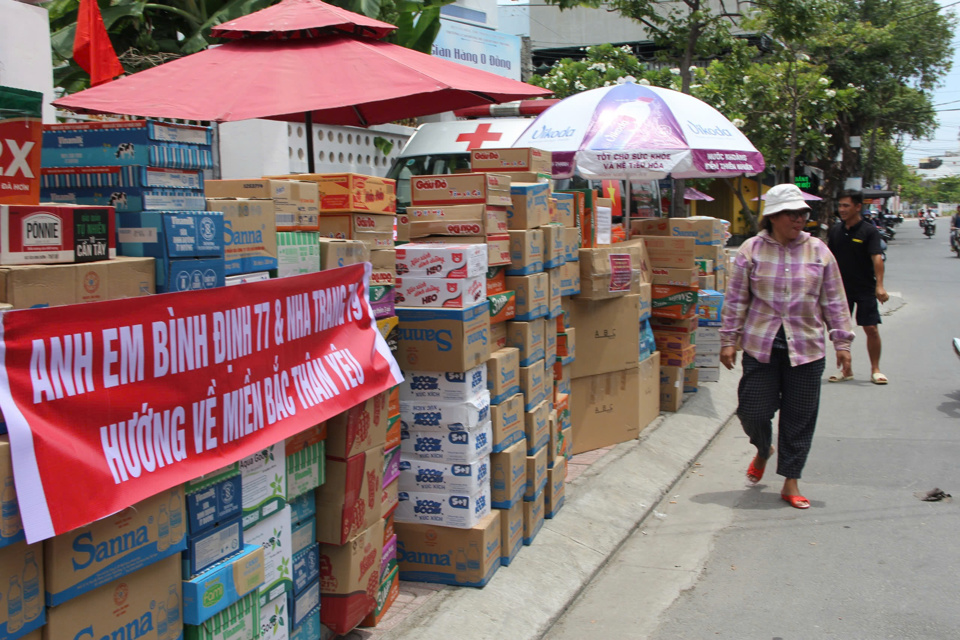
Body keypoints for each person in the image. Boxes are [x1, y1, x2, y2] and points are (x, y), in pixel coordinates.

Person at [720, 184, 854, 510]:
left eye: (803, 213)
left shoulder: (819, 251)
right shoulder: (750, 250)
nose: (800, 219)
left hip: (807, 349)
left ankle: (790, 480)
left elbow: (834, 300)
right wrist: (728, 340)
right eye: (793, 213)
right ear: (774, 216)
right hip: (761, 345)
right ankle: (763, 448)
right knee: (752, 411)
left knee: (799, 418)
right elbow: (736, 299)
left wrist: (842, 342)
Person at [827, 189, 889, 384]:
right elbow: (828, 259)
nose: (842, 209)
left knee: (870, 328)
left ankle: (876, 369)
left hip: (864, 288)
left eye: (846, 206)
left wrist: (880, 286)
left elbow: (877, 258)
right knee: (842, 331)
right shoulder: (835, 230)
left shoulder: (869, 231)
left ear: (858, 207)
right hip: (841, 289)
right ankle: (847, 370)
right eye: (840, 206)